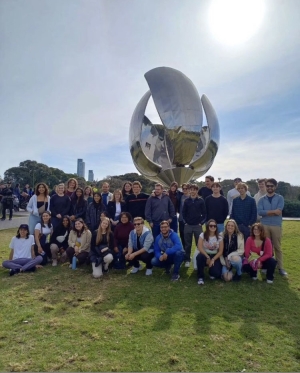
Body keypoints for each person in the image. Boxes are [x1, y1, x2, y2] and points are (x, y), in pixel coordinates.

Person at [257, 178, 287, 276]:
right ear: (265, 186)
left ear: (275, 187)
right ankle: (266, 266)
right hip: (264, 225)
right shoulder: (261, 199)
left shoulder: (280, 198)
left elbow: (279, 211)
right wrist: (273, 212)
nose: (269, 187)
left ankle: (281, 268)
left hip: (276, 225)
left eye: (271, 186)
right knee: (266, 248)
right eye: (268, 186)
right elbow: (260, 212)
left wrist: (267, 212)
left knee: (277, 247)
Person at [182, 184, 206, 267]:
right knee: (187, 244)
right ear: (189, 191)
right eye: (191, 190)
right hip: (188, 225)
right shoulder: (186, 201)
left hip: (197, 225)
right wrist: (185, 222)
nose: (193, 191)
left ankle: (198, 259)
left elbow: (204, 214)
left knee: (199, 244)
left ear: (197, 191)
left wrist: (201, 223)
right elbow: (183, 213)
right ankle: (187, 259)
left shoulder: (201, 201)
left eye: (194, 190)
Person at [196, 219, 224, 285]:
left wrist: (213, 259)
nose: (213, 227)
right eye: (211, 226)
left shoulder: (219, 237)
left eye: (214, 226)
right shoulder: (202, 235)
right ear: (208, 226)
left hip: (215, 255)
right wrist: (207, 257)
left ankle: (211, 272)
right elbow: (199, 247)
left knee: (216, 274)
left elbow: (220, 251)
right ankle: (200, 277)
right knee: (199, 257)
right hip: (205, 254)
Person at [178, 183, 190, 250]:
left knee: (187, 237)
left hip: (188, 220)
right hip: (181, 219)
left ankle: (187, 252)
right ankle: (184, 250)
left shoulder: (191, 197)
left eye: (186, 188)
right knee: (182, 235)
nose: (185, 190)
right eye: (183, 189)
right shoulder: (181, 196)